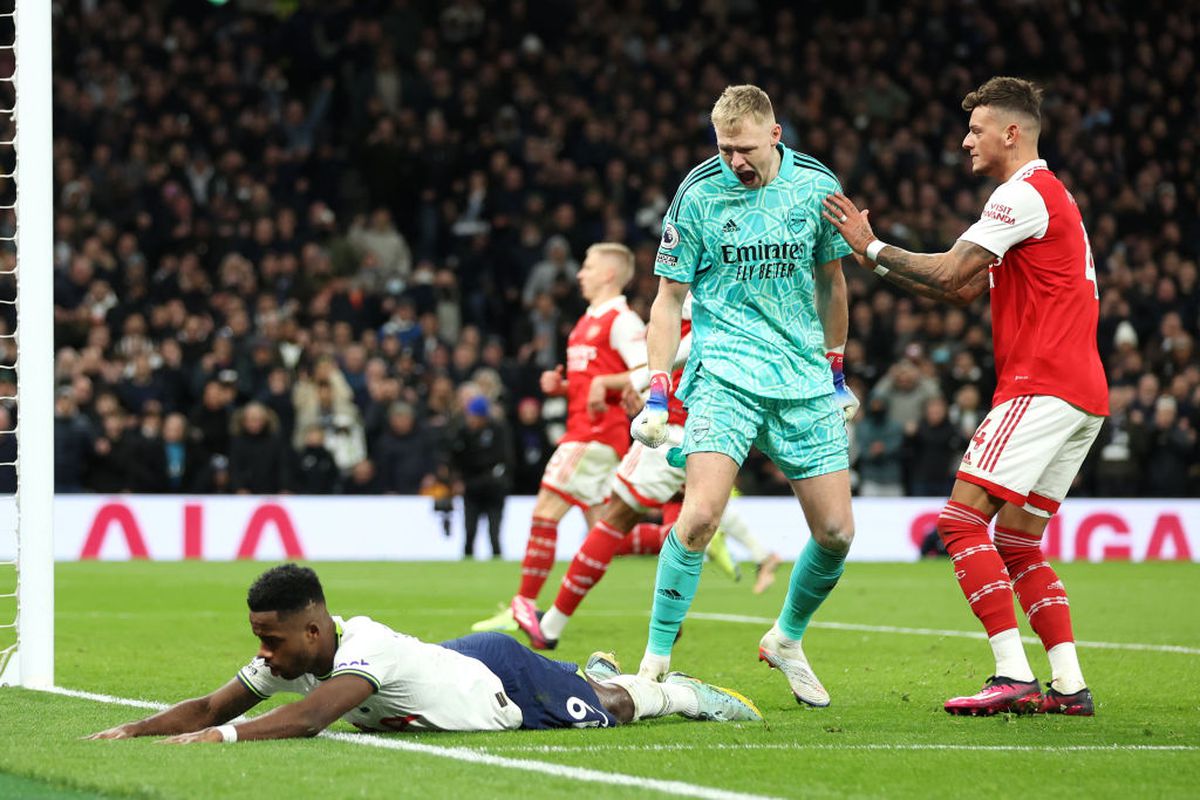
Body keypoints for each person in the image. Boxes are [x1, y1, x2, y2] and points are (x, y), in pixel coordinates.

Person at [823, 76, 1108, 717]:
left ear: (1012, 132)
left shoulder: (1022, 194)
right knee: (1018, 543)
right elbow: (960, 292)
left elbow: (952, 269)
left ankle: (1011, 673)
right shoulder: (1050, 198)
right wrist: (873, 260)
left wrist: (870, 245)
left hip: (1043, 384)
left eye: (976, 129)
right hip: (1082, 393)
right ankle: (1068, 684)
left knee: (958, 522)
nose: (965, 140)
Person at [628, 85, 858, 707]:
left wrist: (836, 372)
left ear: (776, 135)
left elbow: (832, 282)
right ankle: (654, 660)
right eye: (725, 148)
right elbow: (668, 299)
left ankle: (786, 637)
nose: (735, 161)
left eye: (746, 148)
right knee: (699, 516)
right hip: (724, 374)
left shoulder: (816, 187)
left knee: (837, 532)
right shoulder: (697, 195)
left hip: (802, 378)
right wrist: (658, 390)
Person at [87, 564, 762, 744]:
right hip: (450, 663)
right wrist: (135, 730)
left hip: (499, 685)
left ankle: (678, 693)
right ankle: (593, 673)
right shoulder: (293, 660)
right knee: (587, 689)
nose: (261, 652)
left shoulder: (362, 651)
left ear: (315, 633)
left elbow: (310, 718)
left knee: (611, 712)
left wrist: (224, 739)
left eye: (272, 639)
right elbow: (210, 704)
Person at [510, 297, 741, 649]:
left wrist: (639, 385)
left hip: (674, 425)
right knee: (686, 527)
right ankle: (669, 625)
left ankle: (551, 626)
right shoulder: (743, 283)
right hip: (724, 428)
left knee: (612, 520)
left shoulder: (695, 285)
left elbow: (695, 342)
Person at [472, 243, 646, 632]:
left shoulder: (622, 320)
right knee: (607, 531)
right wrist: (565, 387)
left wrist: (605, 382)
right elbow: (594, 383)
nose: (580, 274)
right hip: (590, 432)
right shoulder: (586, 322)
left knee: (545, 511)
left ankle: (524, 605)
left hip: (594, 436)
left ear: (608, 274)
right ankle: (684, 537)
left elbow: (648, 368)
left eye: (587, 266)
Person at [450, 395, 514, 559]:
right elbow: (454, 458)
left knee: (494, 534)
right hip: (472, 491)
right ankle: (466, 564)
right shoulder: (462, 432)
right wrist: (456, 480)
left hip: (493, 491)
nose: (471, 420)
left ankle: (497, 562)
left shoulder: (498, 430)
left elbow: (505, 461)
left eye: (474, 416)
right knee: (469, 532)